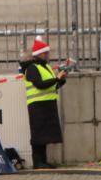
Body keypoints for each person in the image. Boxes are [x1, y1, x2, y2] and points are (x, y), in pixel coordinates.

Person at [19, 36, 66, 169]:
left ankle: (43, 161)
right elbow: (40, 84)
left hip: (47, 104)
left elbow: (51, 86)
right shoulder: (32, 68)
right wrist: (56, 79)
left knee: (45, 134)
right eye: (45, 53)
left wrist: (60, 81)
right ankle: (38, 162)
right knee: (38, 133)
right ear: (39, 54)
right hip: (37, 105)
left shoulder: (46, 67)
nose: (47, 55)